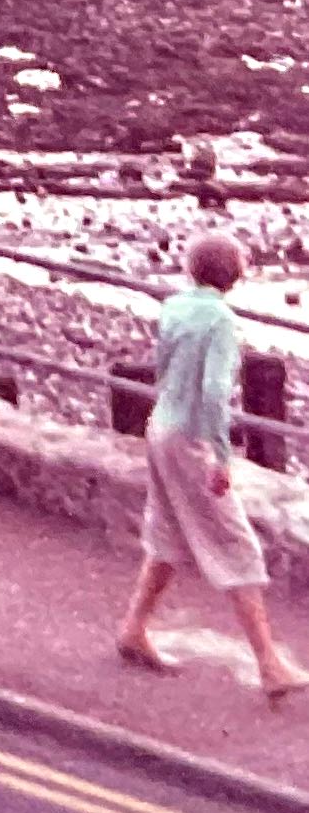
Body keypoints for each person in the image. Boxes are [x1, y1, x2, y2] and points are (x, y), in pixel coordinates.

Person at [118, 229, 309, 703]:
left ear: (191, 268)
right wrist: (222, 457)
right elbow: (214, 394)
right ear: (236, 276)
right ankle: (269, 664)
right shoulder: (222, 321)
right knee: (235, 543)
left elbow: (163, 368)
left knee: (167, 533)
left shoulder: (174, 306)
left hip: (159, 426)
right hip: (190, 439)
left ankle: (134, 629)